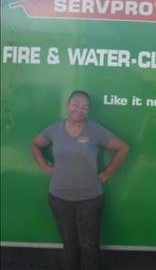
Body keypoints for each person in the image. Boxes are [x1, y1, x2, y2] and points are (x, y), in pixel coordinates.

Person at [31, 90, 129, 270]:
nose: (79, 109)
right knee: (69, 246)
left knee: (90, 247)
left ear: (88, 111)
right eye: (75, 104)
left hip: (90, 200)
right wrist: (44, 166)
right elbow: (35, 144)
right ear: (68, 106)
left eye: (84, 107)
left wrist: (106, 174)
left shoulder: (96, 130)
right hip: (59, 198)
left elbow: (123, 148)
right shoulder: (54, 129)